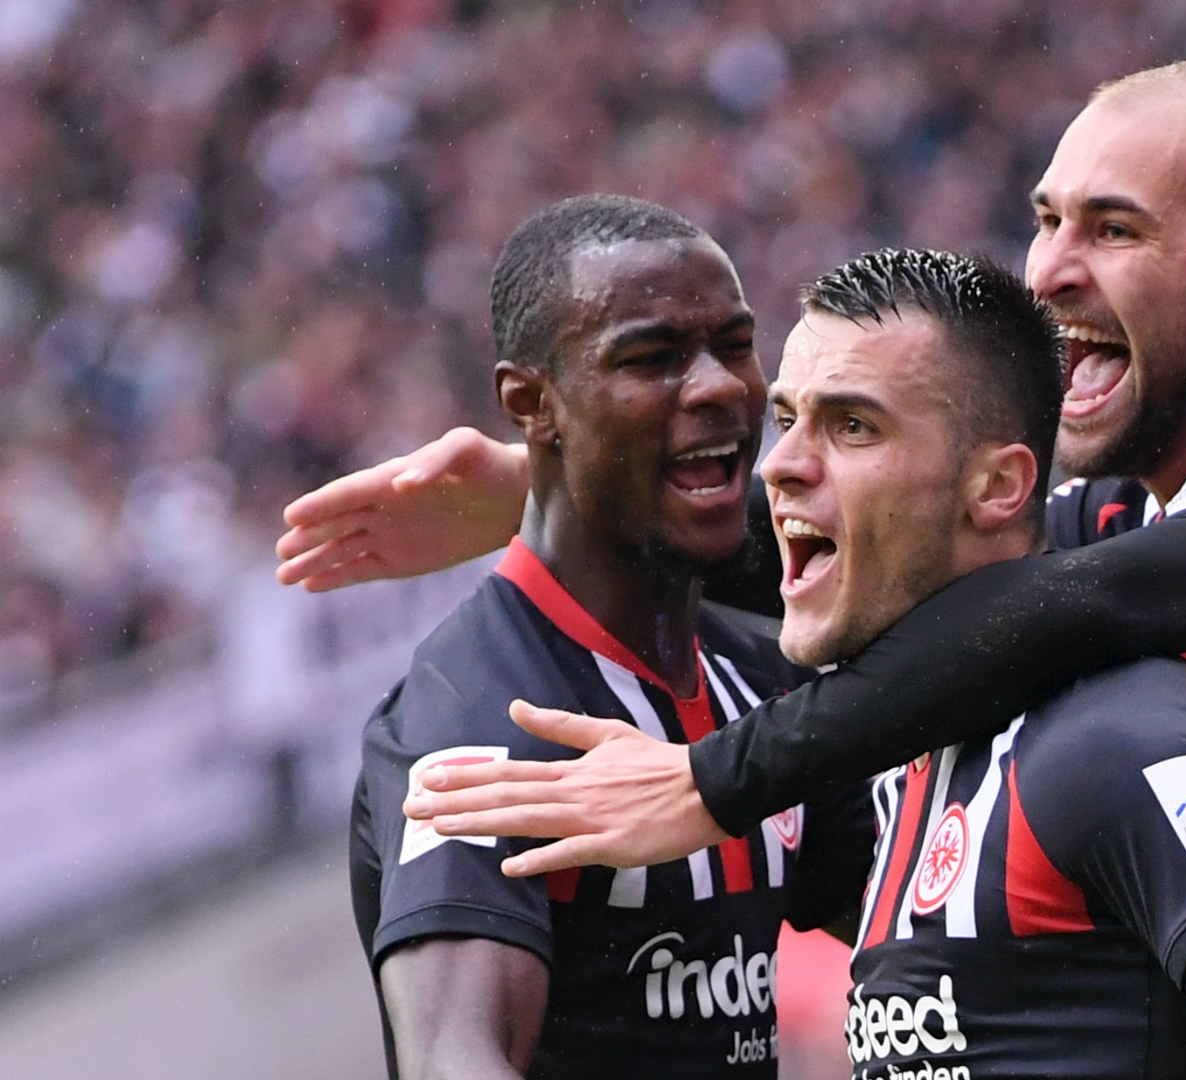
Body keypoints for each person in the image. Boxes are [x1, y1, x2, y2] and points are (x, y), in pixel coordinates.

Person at [289, 61, 1186, 1080]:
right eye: (1047, 218)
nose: (1051, 267)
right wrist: (560, 485)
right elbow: (919, 561)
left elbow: (1055, 602)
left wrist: (715, 782)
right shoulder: (1069, 579)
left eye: (1114, 229)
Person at [771, 245, 1186, 1077]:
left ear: (999, 486)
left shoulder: (1107, 739)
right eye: (786, 417)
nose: (782, 464)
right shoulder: (917, 757)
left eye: (852, 425)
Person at [348, 194, 871, 1080]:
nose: (716, 387)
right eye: (652, 358)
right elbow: (454, 1056)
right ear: (532, 403)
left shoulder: (763, 676)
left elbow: (933, 924)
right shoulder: (478, 716)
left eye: (736, 345)